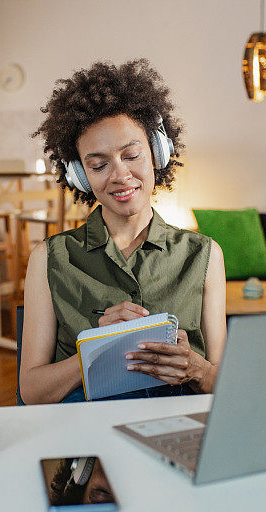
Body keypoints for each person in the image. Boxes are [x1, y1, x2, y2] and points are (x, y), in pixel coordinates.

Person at [20, 59, 226, 404]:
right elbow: (32, 391)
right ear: (80, 175)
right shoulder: (49, 258)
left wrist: (198, 369)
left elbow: (224, 381)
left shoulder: (203, 255)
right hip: (90, 433)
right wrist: (97, 350)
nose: (119, 175)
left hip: (176, 427)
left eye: (131, 155)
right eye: (98, 165)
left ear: (157, 153)